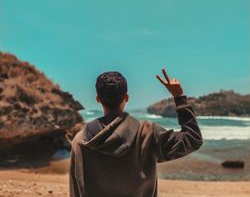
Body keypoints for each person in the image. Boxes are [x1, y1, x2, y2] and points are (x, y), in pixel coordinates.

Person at [69, 68, 203, 197]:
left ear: (98, 99)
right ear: (126, 98)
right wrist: (179, 97)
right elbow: (193, 139)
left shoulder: (80, 140)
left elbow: (75, 188)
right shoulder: (147, 133)